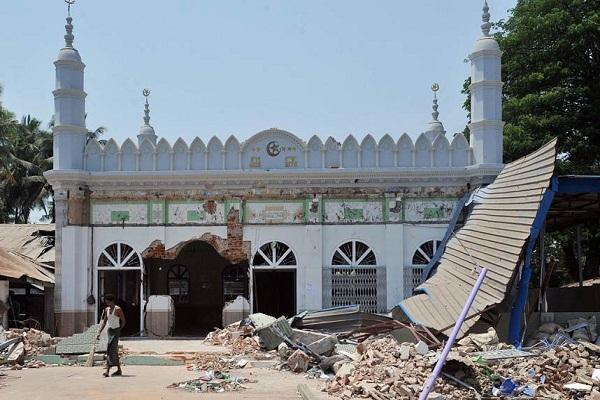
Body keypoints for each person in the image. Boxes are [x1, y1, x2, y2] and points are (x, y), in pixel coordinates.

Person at [96, 294, 126, 377]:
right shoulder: (106, 310)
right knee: (112, 350)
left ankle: (107, 370)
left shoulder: (118, 309)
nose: (105, 302)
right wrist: (99, 332)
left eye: (106, 301)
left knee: (111, 350)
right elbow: (104, 322)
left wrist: (119, 330)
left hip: (116, 331)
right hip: (110, 331)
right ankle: (118, 370)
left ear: (110, 301)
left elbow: (123, 321)